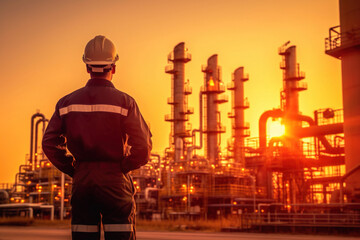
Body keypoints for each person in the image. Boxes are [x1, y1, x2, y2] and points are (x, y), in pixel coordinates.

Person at [42, 35, 152, 240]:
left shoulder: (66, 103)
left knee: (84, 234)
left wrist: (72, 168)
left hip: (83, 179)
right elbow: (143, 146)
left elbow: (49, 142)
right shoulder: (125, 102)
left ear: (87, 67)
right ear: (114, 67)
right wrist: (124, 166)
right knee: (121, 234)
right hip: (114, 178)